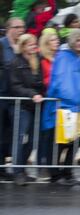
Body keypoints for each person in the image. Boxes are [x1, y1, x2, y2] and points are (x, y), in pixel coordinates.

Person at [41, 29, 80, 186]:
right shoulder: (64, 58)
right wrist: (73, 101)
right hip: (64, 107)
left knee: (75, 141)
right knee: (61, 143)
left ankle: (66, 173)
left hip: (75, 107)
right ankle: (57, 174)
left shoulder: (78, 59)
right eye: (78, 40)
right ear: (72, 41)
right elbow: (60, 84)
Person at [9, 34, 44, 186]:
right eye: (30, 44)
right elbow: (15, 86)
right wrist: (32, 94)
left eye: (34, 44)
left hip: (34, 105)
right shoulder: (15, 63)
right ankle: (17, 172)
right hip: (21, 106)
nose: (33, 47)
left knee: (31, 141)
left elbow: (39, 82)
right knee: (20, 139)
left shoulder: (36, 61)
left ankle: (22, 169)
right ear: (23, 46)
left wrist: (41, 91)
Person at [0, 17, 25, 181]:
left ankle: (4, 167)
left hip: (14, 97)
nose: (21, 30)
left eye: (22, 27)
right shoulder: (2, 45)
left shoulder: (22, 46)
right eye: (17, 27)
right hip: (2, 94)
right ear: (9, 28)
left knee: (10, 134)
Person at [37, 32, 59, 177]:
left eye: (57, 39)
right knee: (45, 135)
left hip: (57, 101)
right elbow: (43, 80)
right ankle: (42, 164)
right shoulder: (43, 60)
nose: (56, 41)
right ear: (46, 43)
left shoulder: (59, 59)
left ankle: (52, 165)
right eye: (53, 40)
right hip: (47, 100)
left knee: (54, 135)